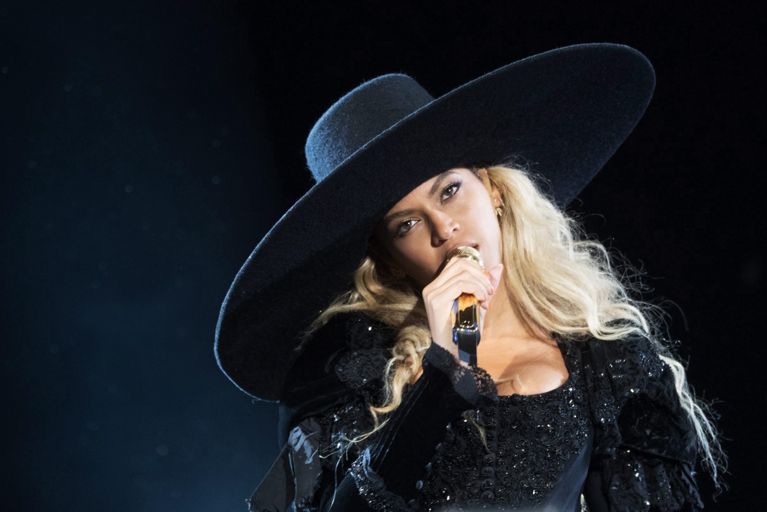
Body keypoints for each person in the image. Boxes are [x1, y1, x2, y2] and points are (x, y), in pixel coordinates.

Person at [214, 43, 727, 511]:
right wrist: (445, 371)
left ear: (492, 189)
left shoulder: (607, 359)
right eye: (407, 224)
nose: (444, 228)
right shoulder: (346, 374)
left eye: (449, 190)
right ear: (388, 257)